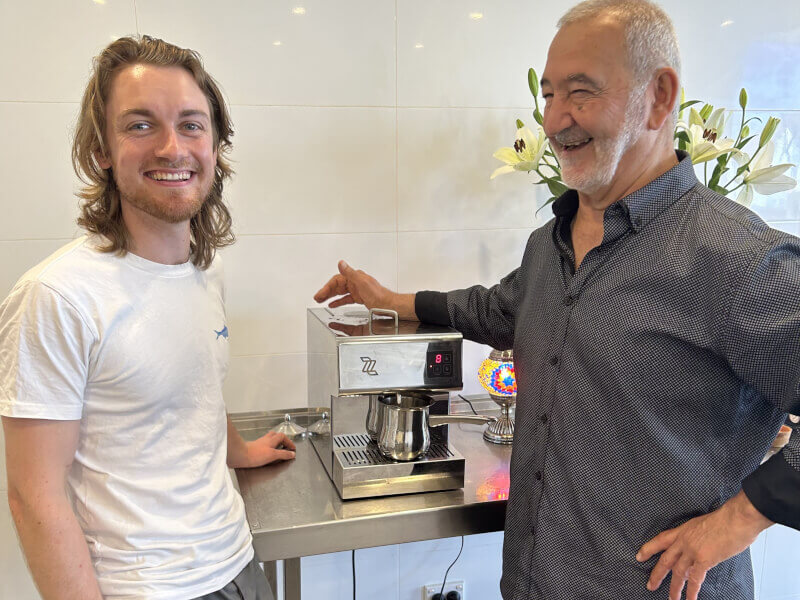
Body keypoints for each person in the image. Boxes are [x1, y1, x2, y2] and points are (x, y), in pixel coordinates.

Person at [314, 1, 800, 599]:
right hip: (535, 580)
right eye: (548, 95)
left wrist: (734, 524)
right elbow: (497, 310)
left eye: (581, 92)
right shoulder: (550, 243)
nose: (553, 121)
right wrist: (392, 298)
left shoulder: (734, 257)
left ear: (659, 97)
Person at [0, 36, 296, 600]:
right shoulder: (57, 296)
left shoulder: (203, 271)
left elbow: (196, 389)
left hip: (238, 563)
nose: (172, 147)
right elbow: (32, 496)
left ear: (215, 144)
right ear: (103, 151)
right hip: (146, 588)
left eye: (191, 124)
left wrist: (242, 451)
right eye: (140, 125)